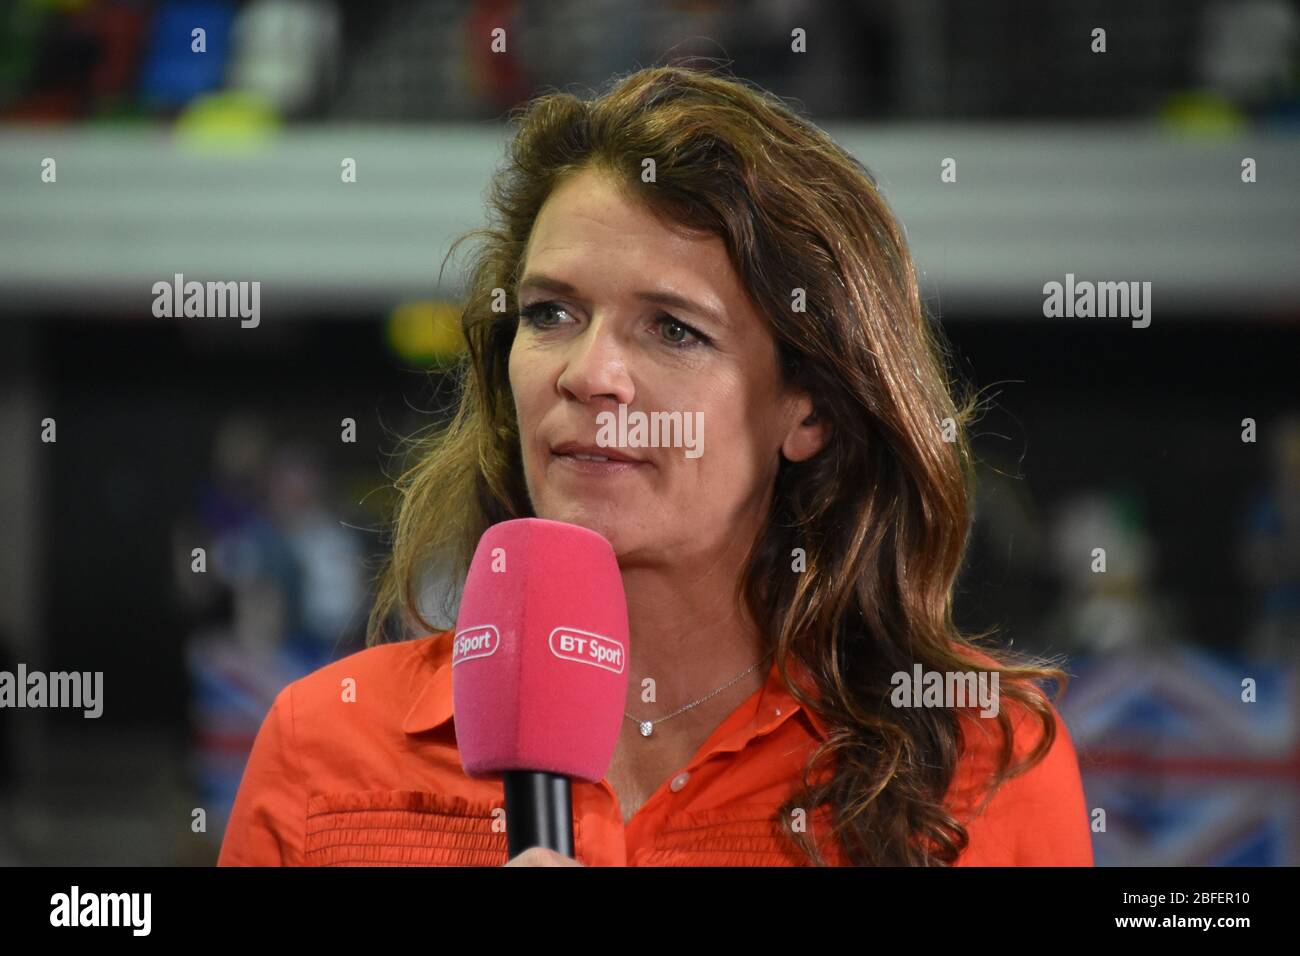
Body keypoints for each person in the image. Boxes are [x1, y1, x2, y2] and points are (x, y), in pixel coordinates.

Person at [218, 65, 1092, 867]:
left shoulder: (981, 763)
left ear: (811, 409)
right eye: (552, 312)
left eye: (674, 329)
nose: (589, 373)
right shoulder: (322, 744)